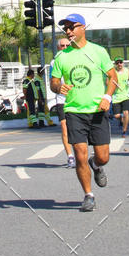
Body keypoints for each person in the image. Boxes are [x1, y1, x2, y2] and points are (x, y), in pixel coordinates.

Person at [50, 13, 117, 212]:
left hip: (97, 111)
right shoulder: (61, 56)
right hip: (74, 111)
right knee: (79, 155)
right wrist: (58, 87)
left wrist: (107, 97)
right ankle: (88, 195)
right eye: (66, 28)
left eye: (72, 27)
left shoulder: (98, 51)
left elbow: (112, 77)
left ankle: (96, 165)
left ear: (83, 28)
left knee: (103, 157)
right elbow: (54, 82)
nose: (68, 31)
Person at [50, 36, 75, 167]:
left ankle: (80, 153)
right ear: (58, 48)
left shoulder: (76, 58)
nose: (65, 47)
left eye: (67, 45)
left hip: (76, 98)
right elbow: (53, 81)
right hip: (62, 99)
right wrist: (59, 87)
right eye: (62, 46)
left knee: (76, 129)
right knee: (65, 128)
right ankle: (70, 156)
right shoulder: (54, 62)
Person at [112, 58, 129, 138]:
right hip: (116, 96)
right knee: (116, 116)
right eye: (117, 63)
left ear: (123, 63)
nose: (119, 64)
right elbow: (107, 82)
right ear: (115, 64)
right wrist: (114, 84)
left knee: (126, 113)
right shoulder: (113, 72)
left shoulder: (128, 71)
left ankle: (124, 131)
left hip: (125, 95)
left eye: (120, 62)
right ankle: (121, 120)